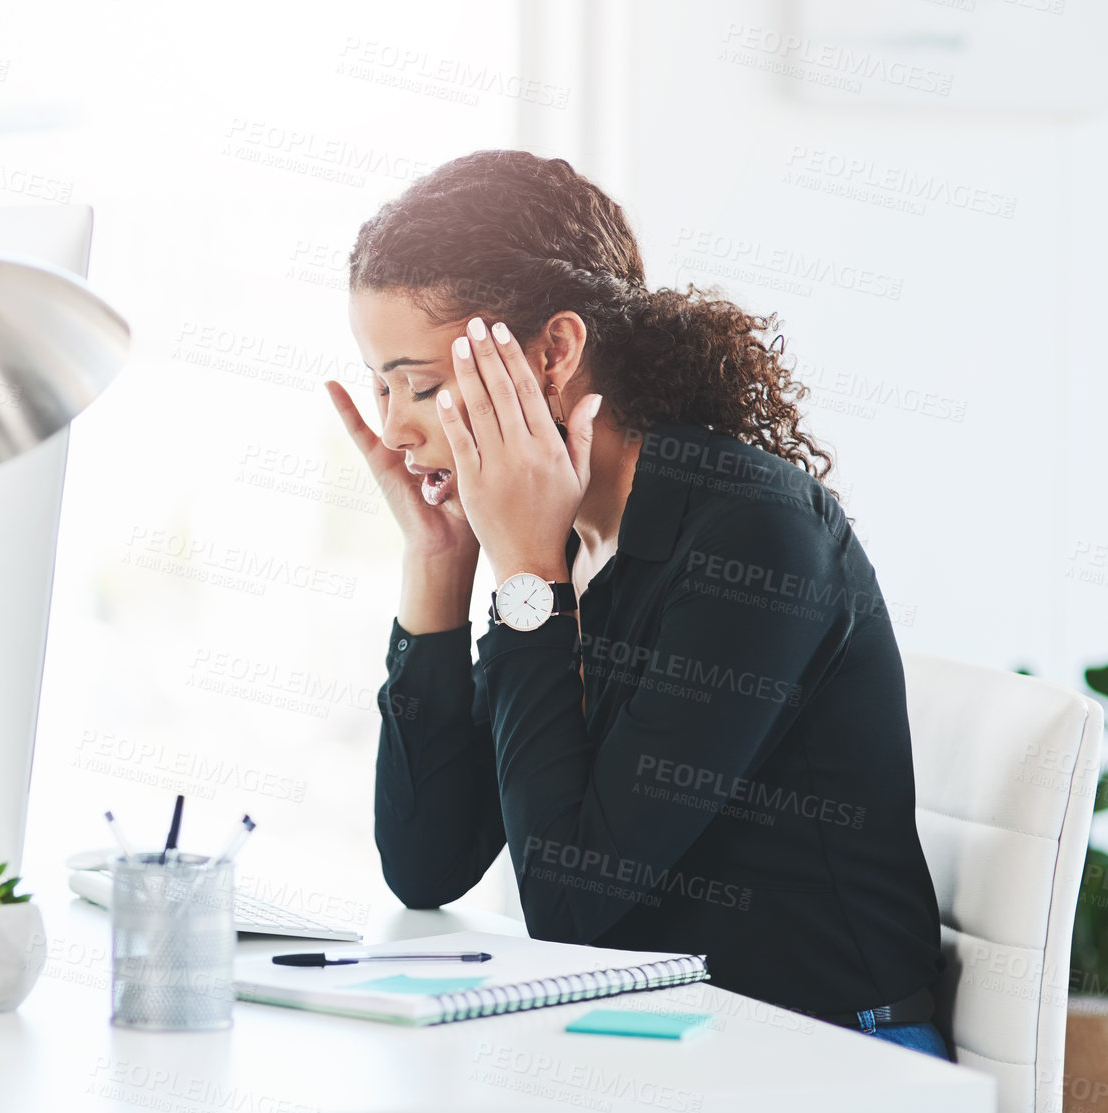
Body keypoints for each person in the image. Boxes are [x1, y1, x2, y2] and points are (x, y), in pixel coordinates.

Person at [324, 150, 947, 1058]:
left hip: (829, 1064)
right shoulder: (565, 533)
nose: (395, 428)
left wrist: (527, 580)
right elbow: (426, 864)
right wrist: (439, 564)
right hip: (660, 1045)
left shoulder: (753, 536)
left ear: (554, 352)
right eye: (380, 385)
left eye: (420, 385)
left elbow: (571, 909)